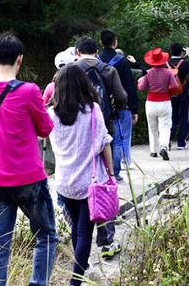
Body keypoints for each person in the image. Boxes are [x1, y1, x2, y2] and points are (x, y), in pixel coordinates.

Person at [0, 32, 58, 286]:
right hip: (30, 180)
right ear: (20, 60)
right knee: (46, 236)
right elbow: (46, 129)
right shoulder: (30, 91)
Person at [47, 64, 114, 286]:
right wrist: (111, 174)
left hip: (65, 182)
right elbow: (105, 143)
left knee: (77, 227)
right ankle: (75, 281)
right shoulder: (93, 110)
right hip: (90, 182)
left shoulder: (51, 114)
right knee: (85, 233)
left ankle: (80, 272)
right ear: (83, 84)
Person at [74, 36, 126, 259]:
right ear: (96, 51)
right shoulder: (108, 69)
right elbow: (121, 96)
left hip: (75, 131)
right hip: (102, 126)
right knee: (103, 184)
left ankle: (78, 242)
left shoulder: (70, 70)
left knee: (79, 187)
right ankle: (106, 242)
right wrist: (117, 108)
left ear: (77, 51)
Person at [99, 30, 138, 182]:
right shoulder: (121, 61)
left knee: (103, 139)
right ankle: (115, 172)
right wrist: (133, 108)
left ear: (101, 43)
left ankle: (103, 172)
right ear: (115, 42)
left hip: (101, 106)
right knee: (118, 139)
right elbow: (129, 86)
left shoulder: (97, 60)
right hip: (120, 106)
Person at [138, 47, 178, 160]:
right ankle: (163, 147)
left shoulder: (148, 73)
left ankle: (153, 151)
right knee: (165, 126)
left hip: (151, 102)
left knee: (152, 127)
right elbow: (175, 86)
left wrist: (141, 82)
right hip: (165, 102)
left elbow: (141, 88)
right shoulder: (168, 73)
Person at [168, 42, 189, 150]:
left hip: (170, 94)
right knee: (184, 117)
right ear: (182, 52)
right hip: (183, 93)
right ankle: (181, 143)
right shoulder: (184, 63)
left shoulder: (167, 63)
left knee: (172, 117)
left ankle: (168, 140)